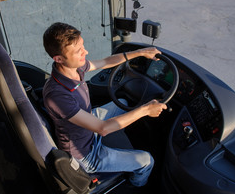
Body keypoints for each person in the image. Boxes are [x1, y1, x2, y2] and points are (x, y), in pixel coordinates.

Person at [42, 22, 167, 187]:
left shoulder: (74, 67)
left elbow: (106, 62)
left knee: (122, 103)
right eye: (78, 51)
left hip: (87, 129)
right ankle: (137, 186)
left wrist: (141, 52)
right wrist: (145, 110)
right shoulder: (57, 95)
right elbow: (103, 128)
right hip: (85, 153)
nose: (85, 52)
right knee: (146, 160)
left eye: (83, 46)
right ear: (58, 59)